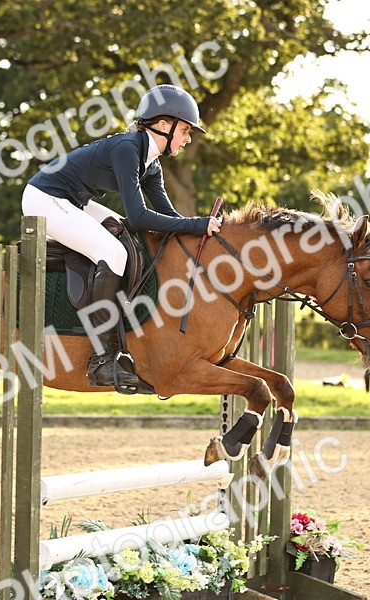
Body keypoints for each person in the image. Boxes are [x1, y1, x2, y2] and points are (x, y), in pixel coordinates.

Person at [21, 84, 221, 393]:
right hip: (44, 198)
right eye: (185, 130)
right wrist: (198, 224)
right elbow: (140, 216)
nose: (188, 138)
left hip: (73, 201)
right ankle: (102, 360)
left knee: (122, 233)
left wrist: (200, 231)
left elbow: (171, 220)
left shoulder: (150, 164)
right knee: (113, 252)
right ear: (164, 125)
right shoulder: (128, 149)